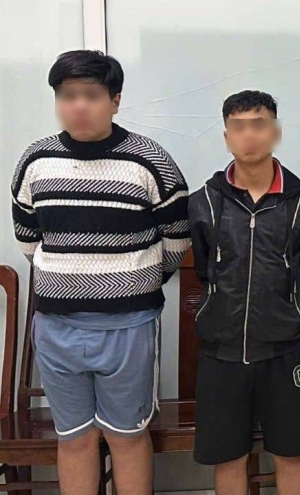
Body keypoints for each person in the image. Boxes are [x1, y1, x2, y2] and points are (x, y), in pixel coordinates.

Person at [10, 50, 189, 495]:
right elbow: (29, 238)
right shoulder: (35, 161)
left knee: (127, 437)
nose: (79, 106)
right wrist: (71, 279)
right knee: (74, 439)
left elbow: (176, 239)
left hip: (128, 326)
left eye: (91, 95)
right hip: (56, 328)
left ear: (115, 100)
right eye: (67, 95)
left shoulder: (149, 160)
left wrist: (132, 284)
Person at [188, 90, 300, 495]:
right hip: (222, 351)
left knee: (291, 453)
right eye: (239, 127)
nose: (249, 135)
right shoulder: (203, 203)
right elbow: (205, 269)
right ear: (226, 136)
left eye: (259, 125)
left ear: (275, 132)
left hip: (284, 350)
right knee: (229, 456)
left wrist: (292, 311)